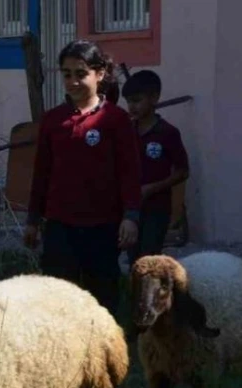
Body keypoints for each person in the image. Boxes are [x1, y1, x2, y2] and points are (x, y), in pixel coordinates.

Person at [23, 40, 142, 316]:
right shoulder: (53, 121)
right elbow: (41, 172)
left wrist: (131, 216)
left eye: (81, 73)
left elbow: (130, 172)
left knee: (102, 300)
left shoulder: (116, 120)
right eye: (67, 74)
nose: (73, 81)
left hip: (103, 227)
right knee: (57, 300)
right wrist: (32, 220)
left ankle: (103, 354)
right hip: (60, 228)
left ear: (99, 74)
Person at [122, 69, 190, 264]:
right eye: (128, 101)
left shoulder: (167, 133)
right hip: (130, 207)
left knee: (149, 259)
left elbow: (183, 171)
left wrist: (152, 188)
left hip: (156, 209)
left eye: (136, 100)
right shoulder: (126, 132)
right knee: (132, 257)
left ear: (154, 97)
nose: (131, 107)